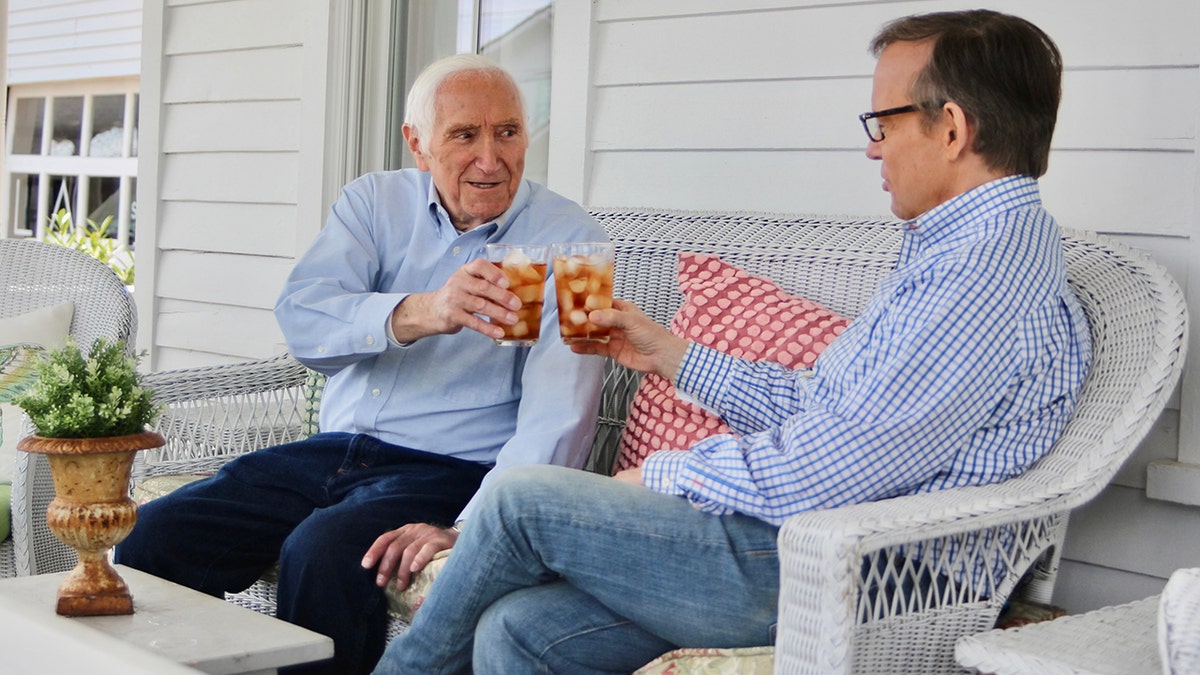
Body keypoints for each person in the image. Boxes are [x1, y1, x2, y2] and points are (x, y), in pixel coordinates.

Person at [371, 9, 1093, 675]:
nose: (871, 147)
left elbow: (839, 464)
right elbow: (826, 406)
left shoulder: (982, 273)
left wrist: (664, 474)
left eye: (883, 122)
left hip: (856, 574)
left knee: (520, 502)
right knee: (519, 629)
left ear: (953, 129)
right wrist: (669, 354)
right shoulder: (953, 249)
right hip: (798, 544)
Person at [115, 54, 607, 675]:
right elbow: (304, 320)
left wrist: (474, 527)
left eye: (507, 132)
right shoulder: (371, 202)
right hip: (331, 450)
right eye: (464, 135)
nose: (491, 157)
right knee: (153, 536)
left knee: (323, 552)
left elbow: (565, 415)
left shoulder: (580, 243)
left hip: (450, 468)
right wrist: (424, 310)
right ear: (418, 144)